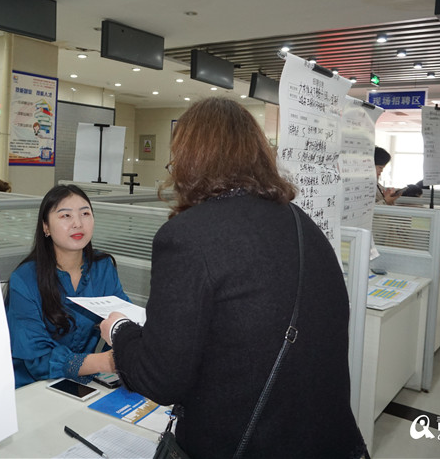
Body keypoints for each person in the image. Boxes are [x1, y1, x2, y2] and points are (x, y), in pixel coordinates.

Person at [99, 97, 367, 458]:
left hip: (246, 443)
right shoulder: (302, 224)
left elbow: (161, 378)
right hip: (329, 440)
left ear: (190, 159)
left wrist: (120, 330)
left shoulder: (188, 237)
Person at [5, 184, 130, 388]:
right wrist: (106, 361)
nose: (78, 224)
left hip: (84, 382)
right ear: (45, 227)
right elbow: (38, 359)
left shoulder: (102, 267)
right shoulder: (24, 279)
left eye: (85, 213)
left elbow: (123, 320)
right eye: (65, 216)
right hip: (31, 388)